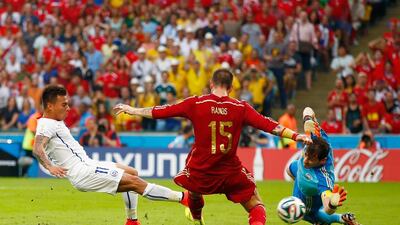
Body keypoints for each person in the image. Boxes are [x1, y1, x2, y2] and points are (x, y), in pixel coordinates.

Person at [114, 68, 312, 225]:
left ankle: (198, 219)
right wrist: (296, 135)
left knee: (193, 191)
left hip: (201, 169)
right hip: (229, 170)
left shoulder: (196, 103)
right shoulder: (240, 107)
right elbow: (269, 125)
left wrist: (133, 110)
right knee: (255, 203)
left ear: (211, 85)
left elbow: (161, 111)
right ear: (231, 88)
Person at [33, 85, 188, 225]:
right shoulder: (47, 124)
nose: (68, 108)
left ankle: (132, 221)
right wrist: (50, 166)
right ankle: (183, 198)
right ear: (50, 106)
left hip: (88, 164)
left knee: (131, 172)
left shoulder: (53, 121)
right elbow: (37, 148)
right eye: (64, 104)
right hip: (82, 172)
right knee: (135, 182)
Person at [286, 107, 361, 225]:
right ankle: (336, 219)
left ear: (322, 161)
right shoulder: (318, 137)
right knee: (289, 169)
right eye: (306, 155)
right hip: (300, 172)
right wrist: (308, 119)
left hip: (311, 185)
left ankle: (340, 219)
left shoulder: (323, 179)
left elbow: (328, 209)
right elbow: (307, 109)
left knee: (306, 214)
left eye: (311, 160)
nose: (305, 161)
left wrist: (332, 204)